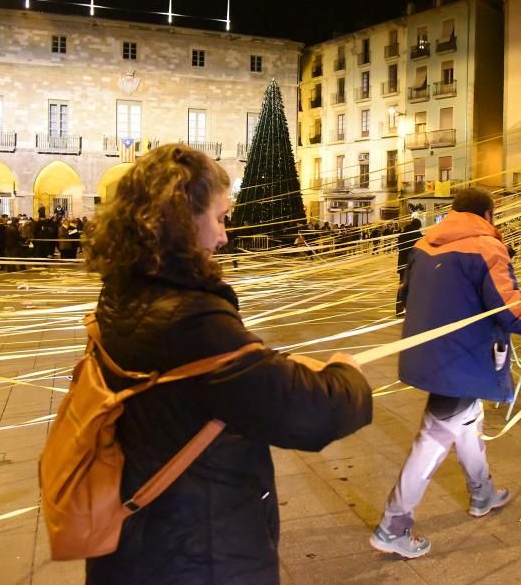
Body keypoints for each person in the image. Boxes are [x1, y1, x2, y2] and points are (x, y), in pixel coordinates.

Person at [82, 144, 372, 584]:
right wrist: (345, 373)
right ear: (182, 222)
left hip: (137, 538)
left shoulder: (123, 292)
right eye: (218, 218)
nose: (224, 235)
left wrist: (265, 363)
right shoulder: (192, 319)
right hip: (199, 549)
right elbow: (302, 412)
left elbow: (213, 380)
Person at [370, 187, 521, 559]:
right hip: (462, 360)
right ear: (488, 214)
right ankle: (394, 524)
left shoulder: (424, 246)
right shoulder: (486, 248)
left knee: (468, 423)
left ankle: (482, 493)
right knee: (433, 440)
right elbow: (511, 311)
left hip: (431, 356)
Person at [395, 218, 422, 315]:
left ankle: (399, 308)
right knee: (413, 286)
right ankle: (411, 308)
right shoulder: (416, 234)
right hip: (412, 264)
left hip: (402, 264)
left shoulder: (403, 234)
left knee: (402, 285)